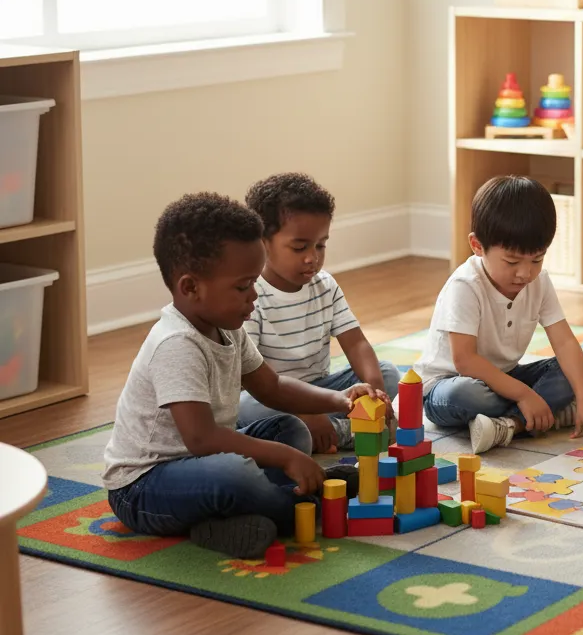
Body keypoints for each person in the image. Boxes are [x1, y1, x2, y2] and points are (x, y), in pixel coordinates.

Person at [102, 193, 382, 559]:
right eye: (242, 286)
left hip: (202, 462)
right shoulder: (176, 343)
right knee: (235, 473)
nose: (254, 295)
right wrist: (284, 458)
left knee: (289, 428)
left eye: (253, 283)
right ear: (190, 288)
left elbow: (273, 387)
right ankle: (305, 503)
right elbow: (202, 438)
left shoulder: (229, 326)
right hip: (144, 487)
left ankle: (230, 520)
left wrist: (342, 399)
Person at [418, 175, 583, 453]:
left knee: (567, 374)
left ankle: (511, 425)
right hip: (447, 387)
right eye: (512, 261)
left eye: (537, 259)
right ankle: (544, 412)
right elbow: (465, 361)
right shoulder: (465, 285)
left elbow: (565, 342)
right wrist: (524, 394)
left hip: (503, 379)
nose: (525, 273)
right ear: (477, 246)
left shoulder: (539, 282)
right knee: (465, 395)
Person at [238, 173, 399, 452]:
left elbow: (357, 344)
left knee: (388, 373)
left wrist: (375, 395)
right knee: (243, 407)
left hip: (320, 390)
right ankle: (344, 432)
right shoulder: (250, 296)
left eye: (320, 245)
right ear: (263, 243)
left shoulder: (324, 285)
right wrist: (306, 413)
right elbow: (254, 379)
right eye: (300, 247)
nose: (312, 257)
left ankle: (329, 432)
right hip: (270, 395)